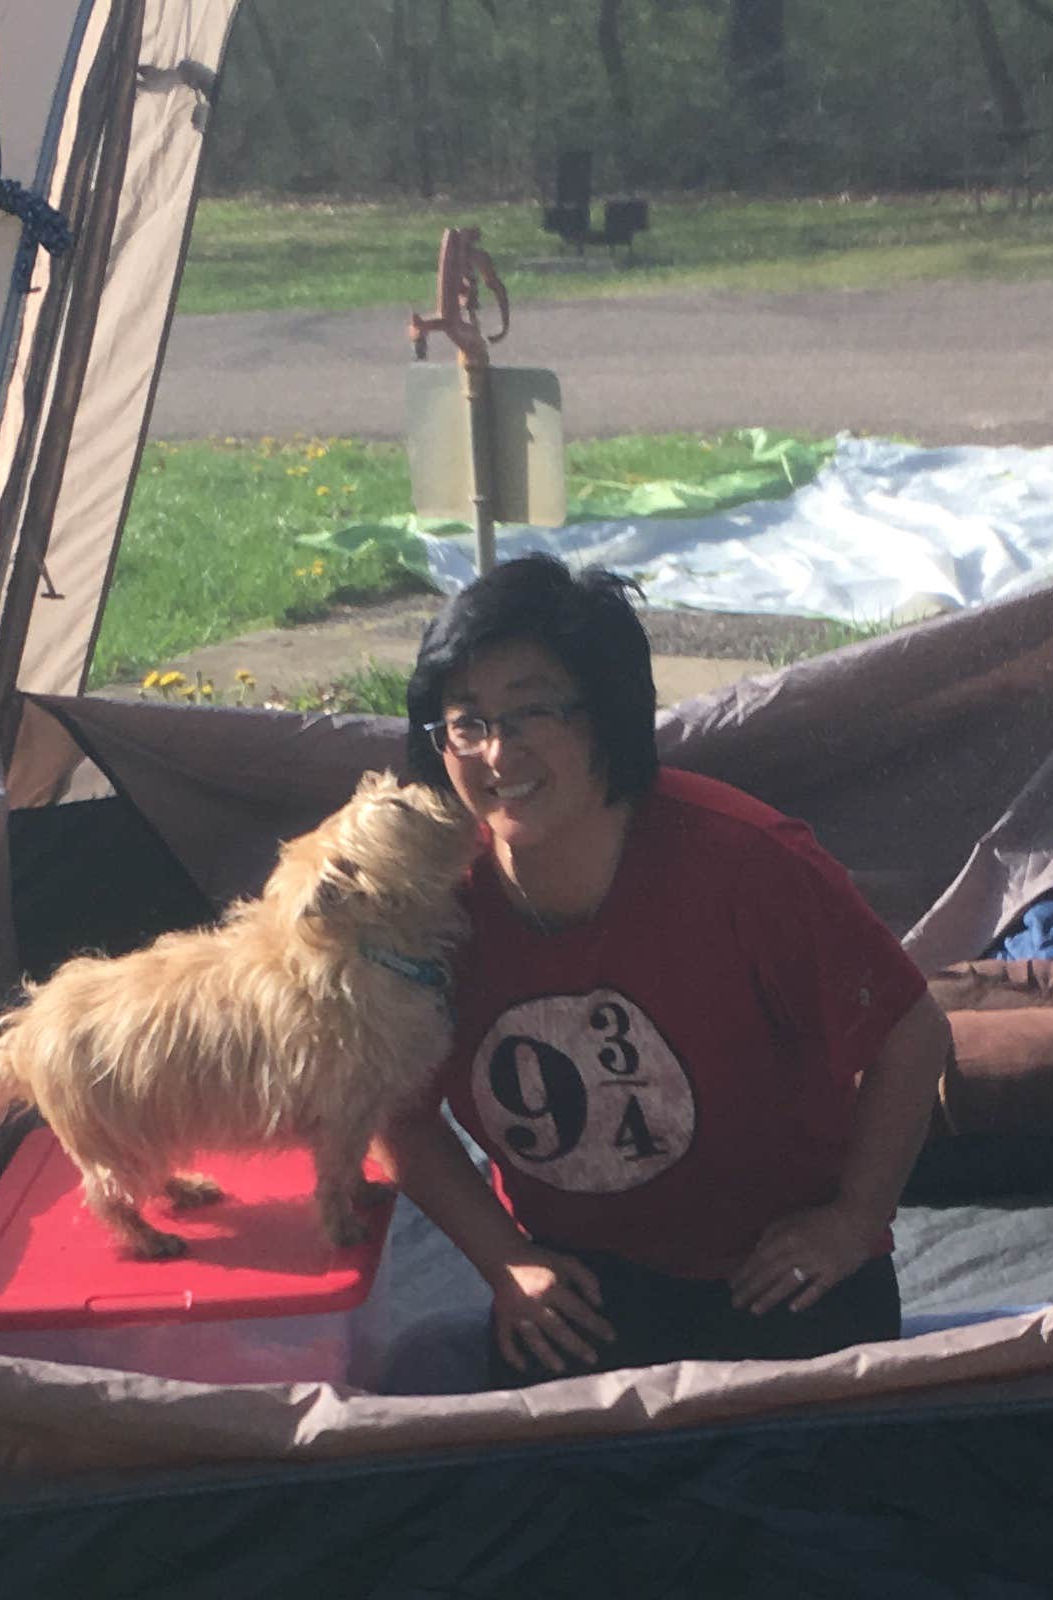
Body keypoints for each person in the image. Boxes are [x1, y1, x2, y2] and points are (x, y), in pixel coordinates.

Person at [378, 555, 949, 1381]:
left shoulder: (747, 862)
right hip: (576, 1284)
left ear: (607, 714)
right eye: (466, 721)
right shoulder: (423, 901)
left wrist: (855, 1219)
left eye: (533, 710)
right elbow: (386, 1105)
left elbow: (912, 1031)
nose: (497, 752)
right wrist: (504, 1261)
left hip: (777, 1276)